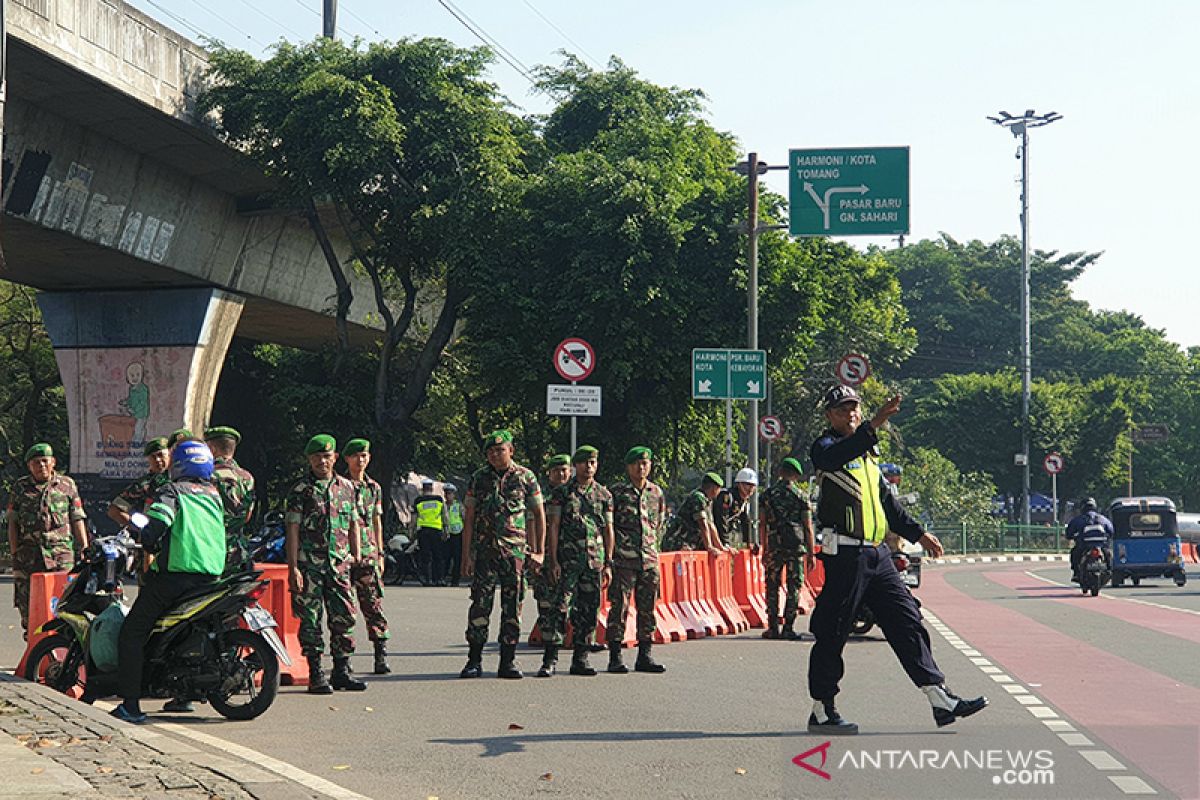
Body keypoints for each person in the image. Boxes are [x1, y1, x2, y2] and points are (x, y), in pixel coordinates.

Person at [807, 385, 987, 734]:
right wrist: (873, 424)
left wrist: (920, 534)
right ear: (830, 415)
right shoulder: (826, 449)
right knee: (833, 631)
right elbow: (836, 456)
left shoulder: (869, 459)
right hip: (845, 554)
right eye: (843, 409)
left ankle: (939, 697)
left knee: (908, 619)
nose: (851, 414)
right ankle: (822, 708)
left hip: (878, 554)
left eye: (855, 408)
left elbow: (890, 507)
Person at [110, 439, 225, 724]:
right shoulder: (213, 494)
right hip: (212, 577)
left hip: (175, 578)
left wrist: (147, 538)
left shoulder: (172, 491)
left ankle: (131, 705)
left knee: (132, 633)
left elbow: (154, 530)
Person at [285, 434, 367, 695]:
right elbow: (293, 528)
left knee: (344, 616)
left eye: (327, 456)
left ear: (334, 458)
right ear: (310, 460)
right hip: (310, 566)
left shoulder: (347, 487)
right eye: (317, 457)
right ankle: (316, 673)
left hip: (339, 564)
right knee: (310, 620)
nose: (322, 461)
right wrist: (293, 567)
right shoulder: (301, 490)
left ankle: (342, 670)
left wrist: (356, 555)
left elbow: (354, 523)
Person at [460, 430, 544, 680]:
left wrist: (539, 551)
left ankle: (508, 661)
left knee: (512, 607)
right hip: (485, 552)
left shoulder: (525, 477)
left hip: (514, 552)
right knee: (480, 606)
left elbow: (539, 514)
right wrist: (467, 555)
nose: (495, 455)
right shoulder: (479, 478)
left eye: (500, 450)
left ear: (511, 451)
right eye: (491, 451)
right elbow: (470, 518)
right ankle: (474, 660)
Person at [539, 446, 613, 678]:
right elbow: (554, 528)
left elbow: (608, 530)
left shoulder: (604, 495)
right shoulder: (562, 494)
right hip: (567, 561)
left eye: (592, 462)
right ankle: (550, 659)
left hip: (594, 562)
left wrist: (608, 562)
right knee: (559, 608)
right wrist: (552, 560)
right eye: (583, 463)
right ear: (576, 466)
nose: (588, 467)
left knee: (589, 610)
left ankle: (580, 658)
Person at [7, 444, 89, 637]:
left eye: (45, 461)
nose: (41, 465)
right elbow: (13, 522)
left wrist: (84, 546)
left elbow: (77, 518)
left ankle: (61, 653)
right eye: (36, 462)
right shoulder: (20, 487)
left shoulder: (66, 485)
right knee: (29, 607)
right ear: (29, 466)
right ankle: (34, 652)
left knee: (62, 604)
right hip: (29, 557)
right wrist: (14, 552)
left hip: (60, 557)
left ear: (53, 462)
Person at [605, 446, 668, 675]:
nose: (642, 468)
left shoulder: (656, 493)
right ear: (628, 467)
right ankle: (615, 656)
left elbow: (657, 525)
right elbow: (609, 525)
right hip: (624, 560)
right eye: (637, 464)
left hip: (648, 559)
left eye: (645, 463)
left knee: (647, 609)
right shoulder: (617, 492)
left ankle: (645, 655)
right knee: (619, 608)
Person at [342, 438, 391, 674]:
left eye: (364, 456)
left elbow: (376, 521)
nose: (360, 460)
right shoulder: (340, 486)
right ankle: (345, 657)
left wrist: (380, 552)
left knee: (373, 605)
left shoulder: (374, 488)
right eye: (355, 456)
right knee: (345, 610)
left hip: (369, 555)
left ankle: (380, 654)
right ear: (347, 459)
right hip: (345, 555)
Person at [759, 457, 816, 640]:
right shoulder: (801, 497)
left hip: (775, 545)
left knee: (772, 585)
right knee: (794, 587)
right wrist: (811, 552)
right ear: (796, 476)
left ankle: (773, 627)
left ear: (780, 472)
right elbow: (808, 527)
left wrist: (765, 548)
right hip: (795, 546)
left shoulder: (767, 495)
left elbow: (762, 524)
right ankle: (789, 628)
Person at [203, 427, 257, 577]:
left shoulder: (207, 475)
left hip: (210, 550)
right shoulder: (247, 478)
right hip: (238, 552)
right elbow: (247, 516)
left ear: (211, 448)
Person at [531, 454, 571, 650]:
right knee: (546, 602)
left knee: (566, 603)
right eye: (556, 471)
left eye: (564, 470)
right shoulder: (541, 497)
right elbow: (532, 524)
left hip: (570, 558)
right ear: (550, 474)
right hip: (545, 557)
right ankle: (549, 640)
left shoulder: (575, 496)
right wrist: (534, 553)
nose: (561, 474)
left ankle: (564, 638)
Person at [107, 437, 171, 528]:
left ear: (169, 455)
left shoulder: (180, 479)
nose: (157, 460)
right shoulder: (144, 483)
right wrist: (138, 528)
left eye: (161, 455)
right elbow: (114, 510)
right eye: (153, 457)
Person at [661, 472, 724, 555]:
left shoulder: (707, 500)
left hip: (687, 545)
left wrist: (720, 547)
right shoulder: (698, 498)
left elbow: (711, 525)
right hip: (676, 543)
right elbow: (703, 524)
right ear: (714, 488)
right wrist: (709, 547)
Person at [1065, 497, 1113, 583]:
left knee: (1074, 553)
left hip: (1084, 545)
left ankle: (1076, 573)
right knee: (1108, 554)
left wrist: (1071, 536)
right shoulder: (1103, 519)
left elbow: (1069, 532)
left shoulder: (1079, 519)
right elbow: (1111, 530)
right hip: (1101, 545)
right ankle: (1109, 570)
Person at [412, 479, 448, 586]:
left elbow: (413, 519)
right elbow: (445, 515)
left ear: (423, 489)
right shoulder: (439, 500)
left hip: (423, 531)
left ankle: (428, 580)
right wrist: (446, 529)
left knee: (426, 556)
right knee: (438, 556)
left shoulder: (418, 501)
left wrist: (411, 532)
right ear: (432, 488)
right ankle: (439, 579)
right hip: (436, 530)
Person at [713, 468, 757, 549]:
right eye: (747, 484)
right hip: (710, 536)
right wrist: (725, 542)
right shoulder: (726, 496)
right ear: (739, 484)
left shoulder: (744, 501)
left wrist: (748, 543)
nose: (751, 488)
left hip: (721, 538)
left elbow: (745, 522)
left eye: (753, 485)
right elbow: (721, 520)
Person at [443, 483, 465, 586]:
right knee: (446, 557)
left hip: (458, 534)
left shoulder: (459, 505)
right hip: (446, 535)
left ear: (454, 494)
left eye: (450, 493)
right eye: (446, 493)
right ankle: (443, 578)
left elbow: (464, 518)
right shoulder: (443, 506)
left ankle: (455, 580)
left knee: (457, 558)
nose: (448, 495)